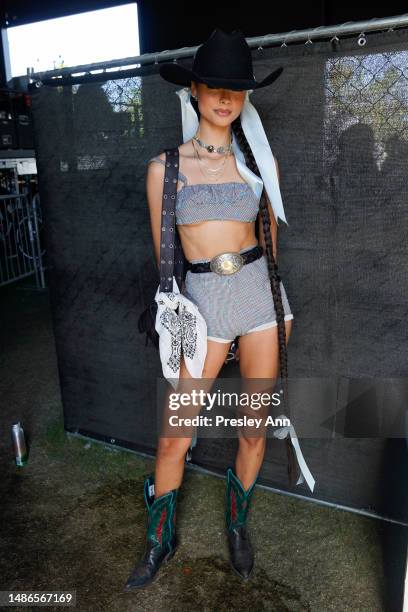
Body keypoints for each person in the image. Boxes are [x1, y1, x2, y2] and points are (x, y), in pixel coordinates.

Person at [124, 28, 313, 592]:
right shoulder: (165, 169)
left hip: (260, 302)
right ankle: (159, 541)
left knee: (254, 430)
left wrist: (278, 311)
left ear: (245, 95)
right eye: (215, 85)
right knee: (174, 437)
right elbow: (167, 262)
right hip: (204, 307)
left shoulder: (260, 165)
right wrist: (184, 321)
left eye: (237, 87)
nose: (226, 97)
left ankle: (237, 526)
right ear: (196, 90)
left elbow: (270, 249)